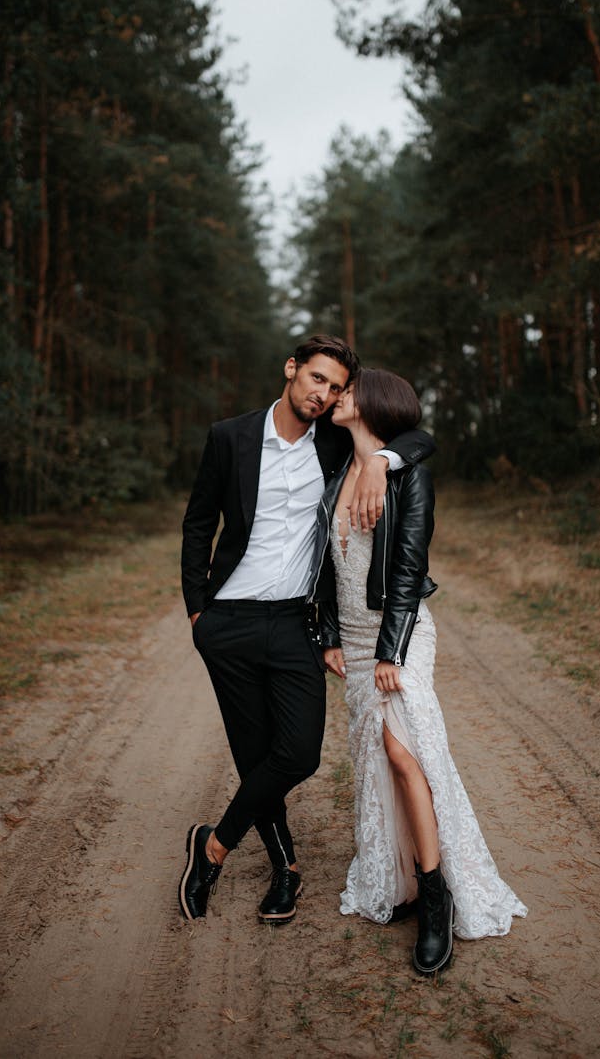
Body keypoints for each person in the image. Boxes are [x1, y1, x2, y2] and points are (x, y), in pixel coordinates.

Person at [179, 336, 434, 925]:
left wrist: (380, 460)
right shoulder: (230, 437)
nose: (324, 395)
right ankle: (286, 869)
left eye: (337, 387)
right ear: (292, 370)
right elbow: (198, 523)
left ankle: (212, 845)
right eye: (317, 379)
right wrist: (199, 612)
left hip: (298, 622)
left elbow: (416, 436)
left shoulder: (336, 444)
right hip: (229, 623)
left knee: (297, 754)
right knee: (254, 755)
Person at [312, 368, 527, 975]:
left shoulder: (410, 477)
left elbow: (406, 568)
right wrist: (329, 636)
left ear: (373, 403)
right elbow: (327, 567)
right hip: (350, 643)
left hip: (398, 637)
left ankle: (437, 896)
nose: (336, 397)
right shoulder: (336, 470)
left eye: (347, 392)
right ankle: (404, 880)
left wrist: (391, 650)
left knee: (407, 752)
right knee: (379, 760)